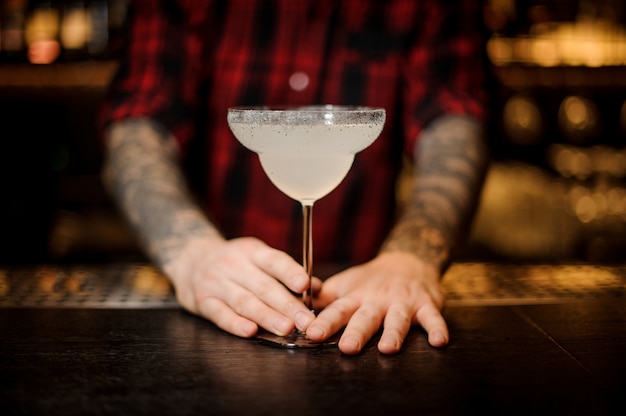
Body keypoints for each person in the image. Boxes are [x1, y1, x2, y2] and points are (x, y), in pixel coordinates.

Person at [99, 0, 489, 355]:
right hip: (216, 291)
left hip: (368, 292)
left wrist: (413, 256)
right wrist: (190, 252)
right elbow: (140, 119)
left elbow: (452, 120)